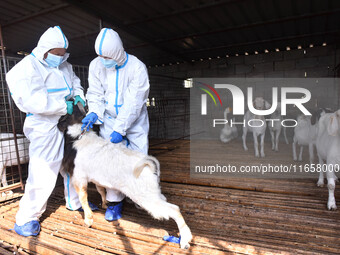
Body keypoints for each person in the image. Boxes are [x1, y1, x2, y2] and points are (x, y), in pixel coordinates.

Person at [6, 26, 98, 237]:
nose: (60, 57)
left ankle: (75, 201)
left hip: (67, 119)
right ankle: (26, 217)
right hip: (43, 124)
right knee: (44, 169)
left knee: (71, 162)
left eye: (63, 53)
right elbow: (30, 99)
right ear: (45, 50)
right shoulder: (28, 67)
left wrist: (79, 97)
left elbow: (75, 83)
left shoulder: (65, 64)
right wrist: (60, 105)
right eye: (56, 54)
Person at [82, 28, 150, 221]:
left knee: (138, 159)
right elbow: (95, 93)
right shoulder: (96, 65)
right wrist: (94, 111)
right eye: (100, 55)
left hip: (134, 121)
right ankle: (114, 201)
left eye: (107, 56)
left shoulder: (137, 67)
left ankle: (140, 196)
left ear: (118, 52)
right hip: (109, 120)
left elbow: (134, 102)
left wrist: (121, 129)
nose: (104, 60)